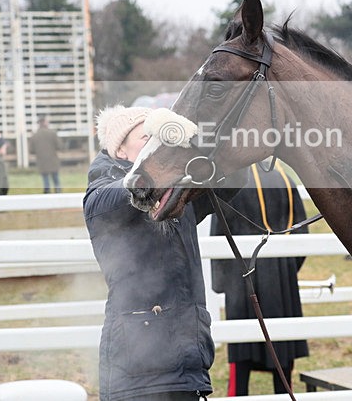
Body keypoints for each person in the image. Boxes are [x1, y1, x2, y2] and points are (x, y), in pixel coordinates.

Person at [84, 105, 242, 401]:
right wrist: (154, 172)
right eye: (147, 139)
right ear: (120, 150)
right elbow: (110, 200)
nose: (157, 147)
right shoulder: (104, 190)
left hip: (186, 360)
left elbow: (233, 179)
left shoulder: (176, 190)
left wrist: (219, 143)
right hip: (137, 368)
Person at [210, 163, 309, 396]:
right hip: (281, 275)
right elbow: (302, 235)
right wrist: (285, 269)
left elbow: (220, 233)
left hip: (241, 274)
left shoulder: (232, 180)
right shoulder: (284, 177)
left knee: (242, 354)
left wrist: (221, 282)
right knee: (281, 353)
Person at [30, 115, 62, 193]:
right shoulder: (52, 133)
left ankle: (47, 193)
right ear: (44, 122)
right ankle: (58, 192)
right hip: (53, 160)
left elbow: (31, 150)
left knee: (45, 179)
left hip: (42, 161)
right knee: (55, 178)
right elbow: (59, 146)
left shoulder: (34, 135)